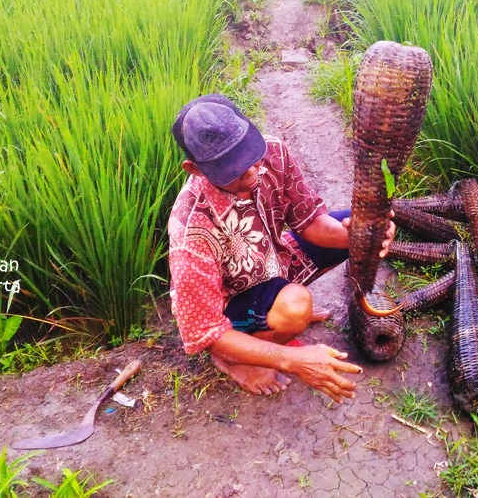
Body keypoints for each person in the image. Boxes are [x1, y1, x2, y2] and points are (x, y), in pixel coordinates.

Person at [167, 93, 395, 403]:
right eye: (233, 171)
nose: (251, 173)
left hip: (271, 263)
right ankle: (237, 358)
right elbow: (202, 331)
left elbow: (311, 223)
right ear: (195, 169)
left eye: (250, 157)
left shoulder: (273, 152)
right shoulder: (191, 230)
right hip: (228, 304)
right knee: (294, 306)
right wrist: (292, 361)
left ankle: (274, 319)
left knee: (349, 226)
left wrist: (367, 235)